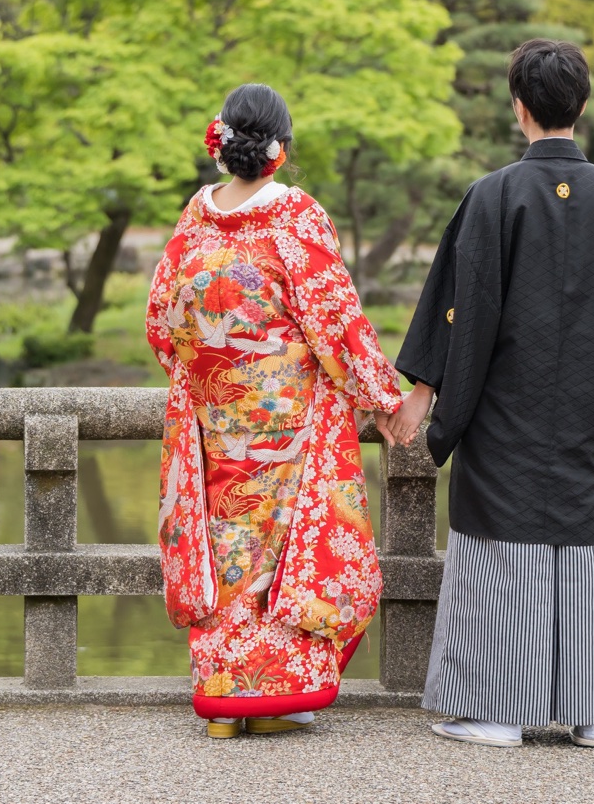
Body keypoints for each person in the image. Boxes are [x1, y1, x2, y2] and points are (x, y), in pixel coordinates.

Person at [388, 39, 594, 749]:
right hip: (587, 414)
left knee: (498, 557)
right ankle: (591, 714)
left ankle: (495, 713)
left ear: (517, 105)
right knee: (584, 558)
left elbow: (454, 309)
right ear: (579, 107)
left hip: (501, 417)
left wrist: (423, 396)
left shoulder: (491, 195)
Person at [146, 83, 403, 739]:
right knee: (285, 558)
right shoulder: (296, 218)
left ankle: (224, 699)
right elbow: (336, 320)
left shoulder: (193, 220)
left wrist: (212, 378)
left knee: (227, 551)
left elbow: (160, 322)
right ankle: (271, 699)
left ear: (222, 143)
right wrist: (383, 397)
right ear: (279, 152)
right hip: (288, 425)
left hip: (215, 424)